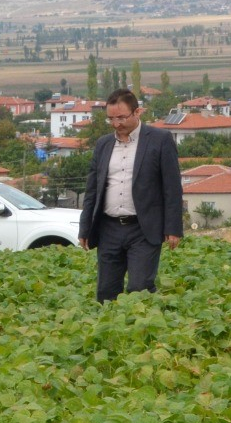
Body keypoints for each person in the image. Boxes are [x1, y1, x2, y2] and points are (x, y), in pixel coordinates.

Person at [78, 87, 183, 302]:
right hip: (108, 229)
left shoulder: (160, 140)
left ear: (137, 112)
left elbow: (172, 188)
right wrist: (85, 227)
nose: (116, 124)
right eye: (111, 119)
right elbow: (92, 190)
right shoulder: (103, 144)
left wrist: (173, 228)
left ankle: (143, 330)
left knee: (140, 288)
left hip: (143, 229)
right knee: (106, 292)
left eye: (122, 117)